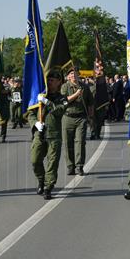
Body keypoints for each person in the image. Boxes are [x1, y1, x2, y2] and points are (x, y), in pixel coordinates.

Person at [29, 69, 80, 200]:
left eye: (52, 80)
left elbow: (59, 110)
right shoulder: (40, 95)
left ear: (59, 82)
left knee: (52, 163)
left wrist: (47, 102)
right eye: (49, 80)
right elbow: (31, 113)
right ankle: (41, 179)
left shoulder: (62, 98)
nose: (50, 82)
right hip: (40, 133)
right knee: (35, 160)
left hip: (54, 135)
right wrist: (35, 123)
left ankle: (48, 187)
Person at [61, 67, 93, 175]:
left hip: (81, 118)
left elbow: (90, 103)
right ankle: (70, 166)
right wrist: (76, 94)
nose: (73, 76)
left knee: (80, 142)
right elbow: (64, 101)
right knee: (67, 143)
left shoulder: (85, 87)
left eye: (75, 74)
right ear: (68, 76)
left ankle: (79, 166)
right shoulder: (65, 87)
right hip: (68, 117)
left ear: (78, 75)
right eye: (71, 74)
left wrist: (91, 117)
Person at [90, 60, 110, 140]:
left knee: (99, 121)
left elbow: (106, 95)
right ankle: (93, 133)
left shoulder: (103, 86)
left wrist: (106, 105)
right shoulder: (90, 87)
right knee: (92, 121)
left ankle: (97, 133)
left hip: (101, 105)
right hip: (92, 105)